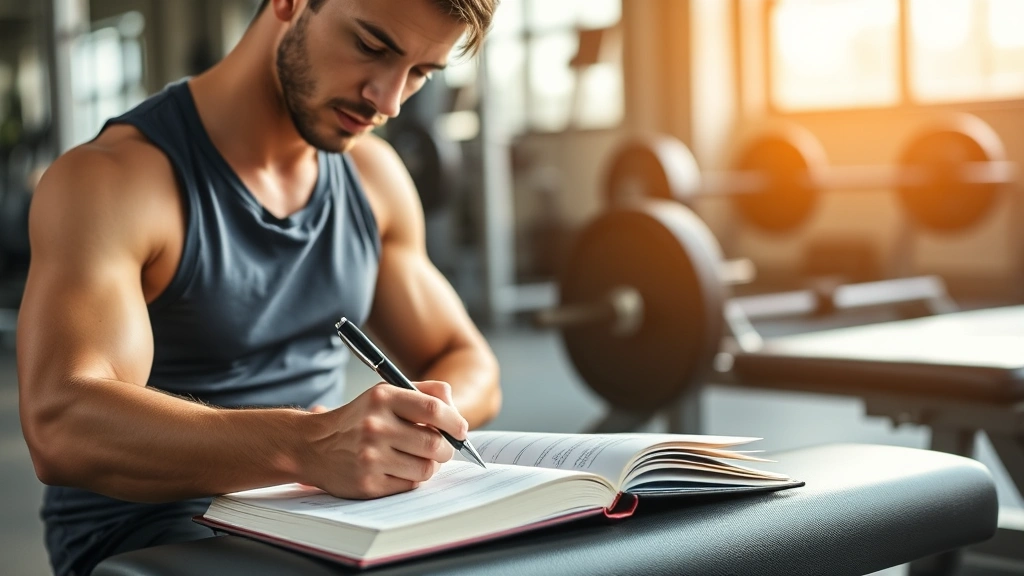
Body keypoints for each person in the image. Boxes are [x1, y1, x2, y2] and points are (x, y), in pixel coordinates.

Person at [16, 0, 501, 574]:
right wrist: (310, 443)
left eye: (421, 73)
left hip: (324, 511)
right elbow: (62, 423)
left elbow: (470, 361)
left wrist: (409, 428)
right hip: (156, 533)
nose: (389, 100)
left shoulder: (374, 178)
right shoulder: (115, 180)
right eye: (373, 47)